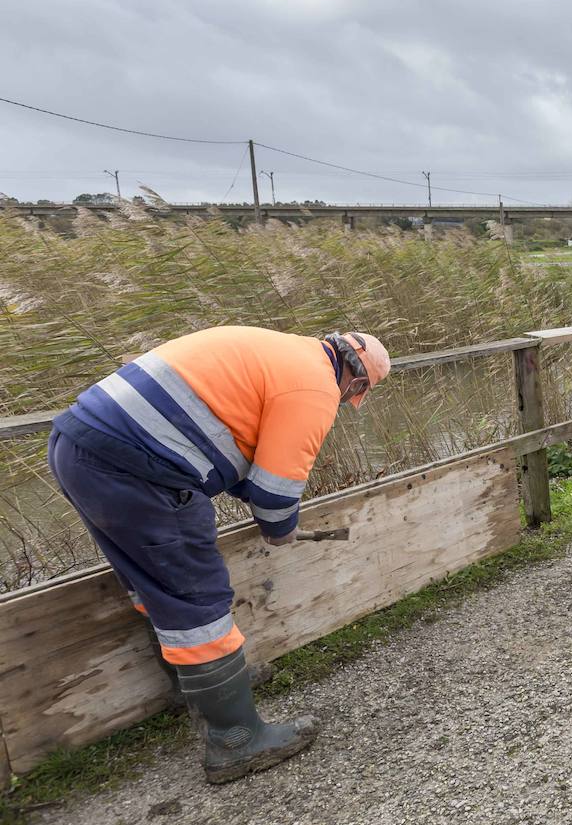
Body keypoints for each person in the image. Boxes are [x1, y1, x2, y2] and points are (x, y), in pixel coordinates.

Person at [46, 326, 390, 783]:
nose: (346, 402)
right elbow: (274, 492)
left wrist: (266, 504)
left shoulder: (280, 350)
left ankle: (202, 690)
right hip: (141, 473)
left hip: (80, 449)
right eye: (353, 396)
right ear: (357, 382)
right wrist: (281, 529)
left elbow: (228, 449)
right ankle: (235, 740)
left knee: (155, 585)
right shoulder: (313, 387)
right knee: (197, 596)